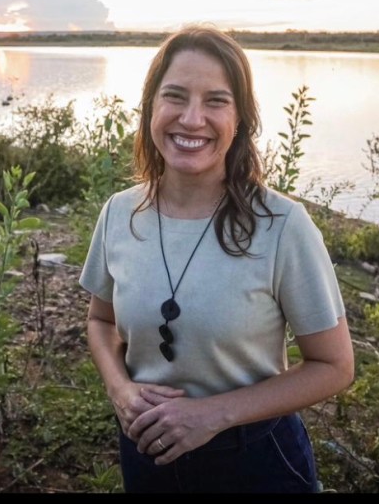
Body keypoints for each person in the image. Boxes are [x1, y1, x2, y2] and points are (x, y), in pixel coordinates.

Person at [78, 24, 355, 493]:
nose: (191, 119)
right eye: (175, 96)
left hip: (256, 461)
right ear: (150, 107)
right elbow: (100, 323)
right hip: (148, 454)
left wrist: (214, 414)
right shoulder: (119, 213)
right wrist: (120, 390)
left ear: (241, 119)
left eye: (215, 101)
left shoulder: (283, 225)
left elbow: (334, 366)